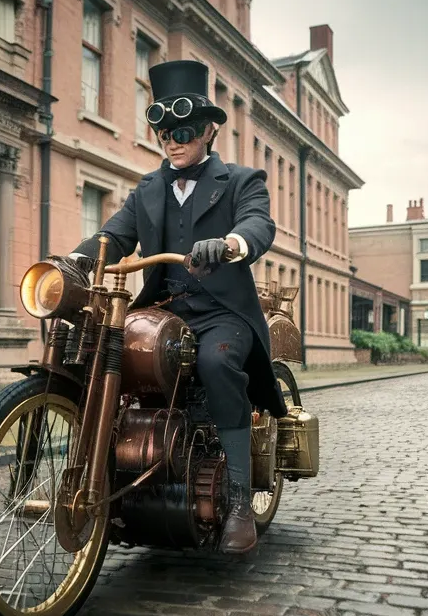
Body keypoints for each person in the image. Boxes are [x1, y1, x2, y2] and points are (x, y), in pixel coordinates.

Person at [69, 59, 287, 554]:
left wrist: (231, 243)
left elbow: (259, 226)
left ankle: (235, 501)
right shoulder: (147, 189)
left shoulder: (240, 180)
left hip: (223, 314)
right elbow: (114, 236)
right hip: (162, 311)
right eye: (164, 128)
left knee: (214, 361)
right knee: (100, 355)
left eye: (183, 128)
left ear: (208, 129)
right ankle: (108, 478)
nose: (172, 138)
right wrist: (75, 260)